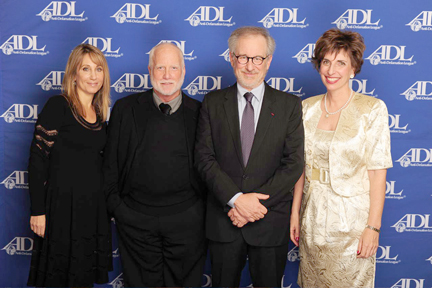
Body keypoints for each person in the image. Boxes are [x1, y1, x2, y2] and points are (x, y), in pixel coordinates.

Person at [195, 26, 304, 287]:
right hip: (225, 222)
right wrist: (236, 201)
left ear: (268, 62)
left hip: (268, 222)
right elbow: (204, 158)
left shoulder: (289, 105)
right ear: (232, 58)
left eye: (258, 58)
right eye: (243, 57)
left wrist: (252, 207)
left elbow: (293, 164)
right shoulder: (212, 102)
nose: (250, 66)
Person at [290, 28, 393, 287]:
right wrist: (295, 214)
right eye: (326, 61)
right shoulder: (306, 108)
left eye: (340, 63)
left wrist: (373, 228)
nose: (331, 70)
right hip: (312, 220)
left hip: (353, 224)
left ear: (353, 69)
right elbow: (299, 168)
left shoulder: (372, 109)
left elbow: (378, 172)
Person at [103, 42, 206, 287]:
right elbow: (110, 165)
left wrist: (199, 213)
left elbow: (210, 166)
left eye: (173, 68)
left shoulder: (201, 112)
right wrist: (118, 209)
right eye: (160, 67)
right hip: (136, 221)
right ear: (150, 70)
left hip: (187, 222)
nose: (167, 75)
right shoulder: (125, 109)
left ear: (183, 71)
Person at [27, 43, 112, 287]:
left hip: (91, 210)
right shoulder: (58, 105)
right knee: (58, 276)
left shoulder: (99, 113)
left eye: (98, 69)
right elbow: (37, 159)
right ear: (74, 74)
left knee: (82, 277)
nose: (93, 76)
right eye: (86, 69)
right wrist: (37, 211)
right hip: (60, 210)